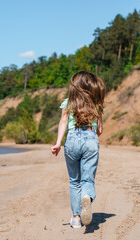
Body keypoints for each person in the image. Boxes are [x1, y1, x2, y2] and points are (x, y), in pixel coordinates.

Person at [51, 71, 105, 228]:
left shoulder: (69, 102)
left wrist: (58, 143)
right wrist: (92, 135)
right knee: (87, 179)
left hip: (72, 139)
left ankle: (76, 219)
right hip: (90, 137)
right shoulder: (97, 103)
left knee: (74, 180)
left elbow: (63, 122)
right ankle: (87, 195)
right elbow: (100, 130)